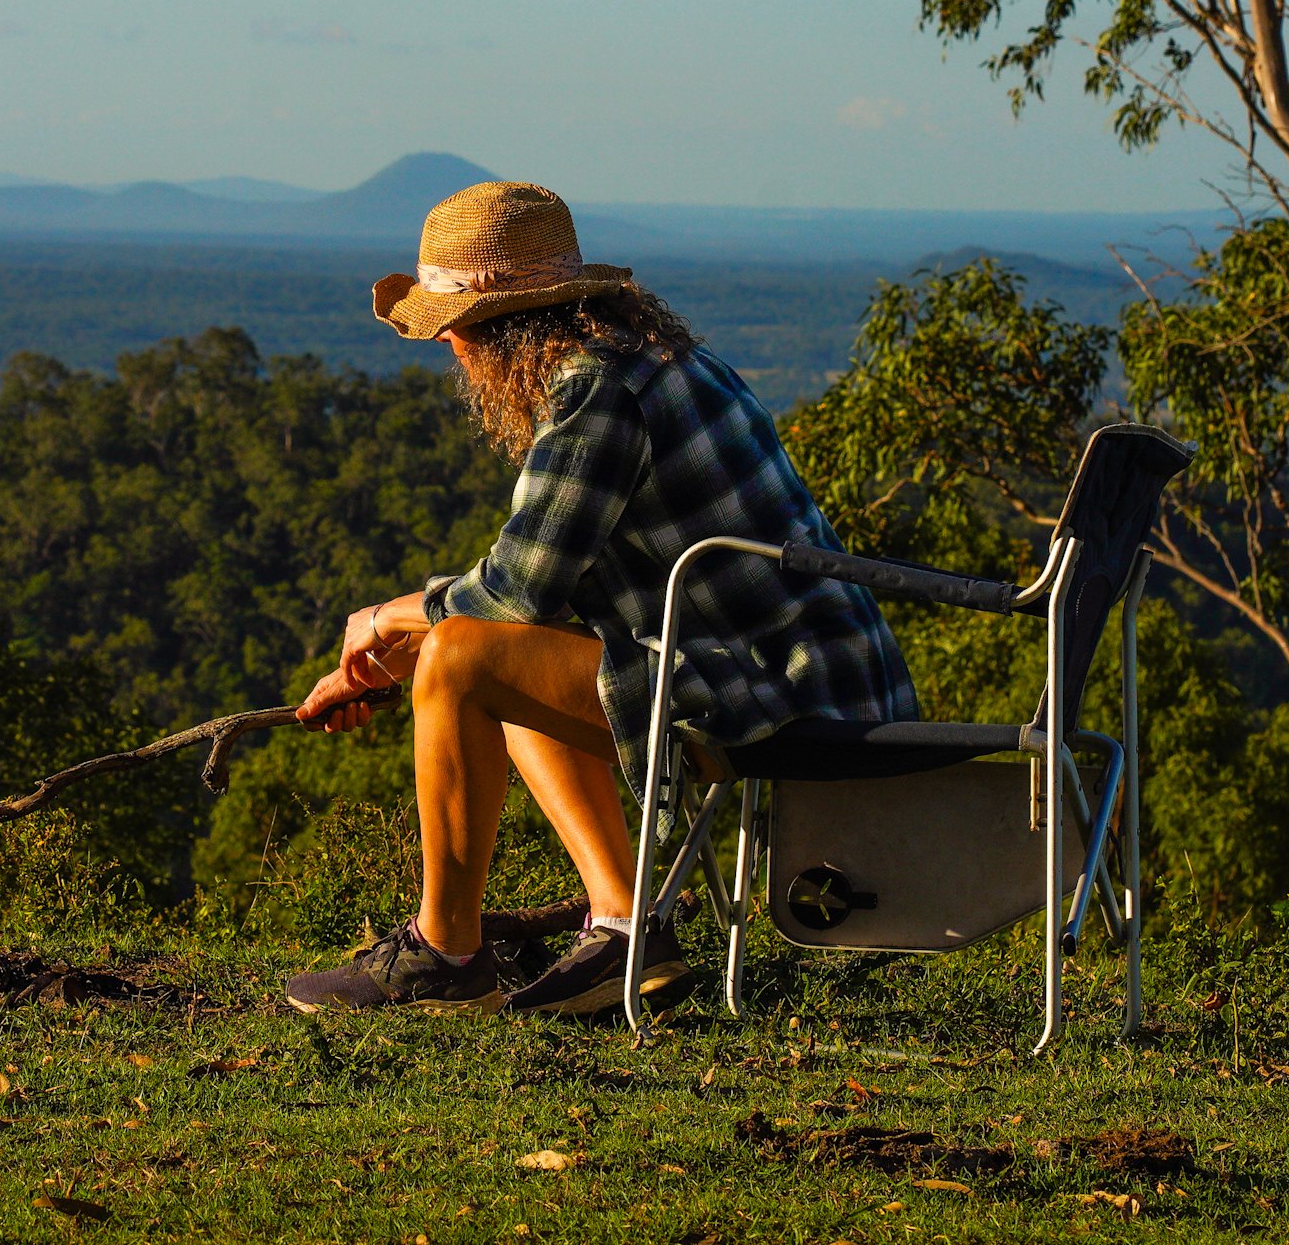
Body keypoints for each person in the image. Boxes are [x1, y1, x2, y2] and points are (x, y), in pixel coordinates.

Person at [280, 179, 914, 1020]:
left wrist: (380, 622)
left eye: (453, 329)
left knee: (468, 657)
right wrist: (404, 659)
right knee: (491, 658)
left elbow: (516, 587)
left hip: (783, 693)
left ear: (494, 330)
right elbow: (531, 609)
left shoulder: (596, 389)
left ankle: (444, 955)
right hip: (801, 674)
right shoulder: (651, 359)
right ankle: (625, 928)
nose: (451, 349)